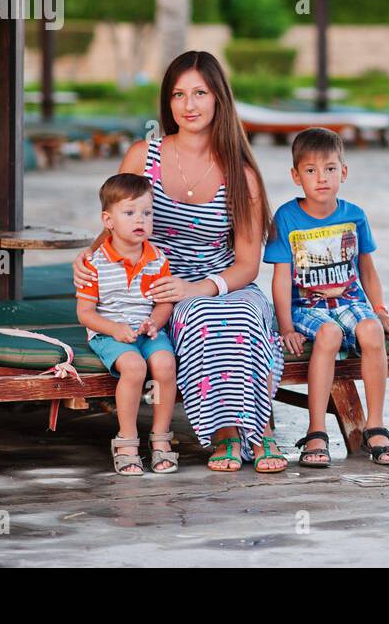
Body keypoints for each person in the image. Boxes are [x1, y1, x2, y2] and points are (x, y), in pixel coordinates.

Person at [73, 50, 288, 474]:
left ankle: (261, 428)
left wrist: (200, 287)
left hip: (226, 282)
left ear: (218, 100)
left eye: (200, 93)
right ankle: (226, 436)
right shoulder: (143, 156)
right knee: (198, 317)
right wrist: (87, 258)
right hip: (158, 293)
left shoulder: (240, 174)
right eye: (178, 94)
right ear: (167, 103)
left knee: (241, 313)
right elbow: (114, 223)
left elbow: (248, 264)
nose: (188, 105)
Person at [264, 128, 389, 467]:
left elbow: (368, 271)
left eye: (329, 168)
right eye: (310, 170)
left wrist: (381, 311)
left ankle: (375, 426)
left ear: (343, 172)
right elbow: (281, 278)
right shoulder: (286, 217)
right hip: (306, 307)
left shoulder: (354, 215)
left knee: (371, 330)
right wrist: (286, 327)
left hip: (349, 302)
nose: (321, 178)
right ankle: (316, 432)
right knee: (328, 335)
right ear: (296, 176)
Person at [76, 173, 177, 476]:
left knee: (164, 363)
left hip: (145, 330)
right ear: (108, 220)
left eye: (147, 213)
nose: (140, 220)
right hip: (109, 332)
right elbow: (85, 313)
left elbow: (163, 303)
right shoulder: (95, 263)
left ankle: (160, 438)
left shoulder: (157, 259)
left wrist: (154, 323)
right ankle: (126, 440)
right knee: (134, 367)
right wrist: (113, 329)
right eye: (130, 212)